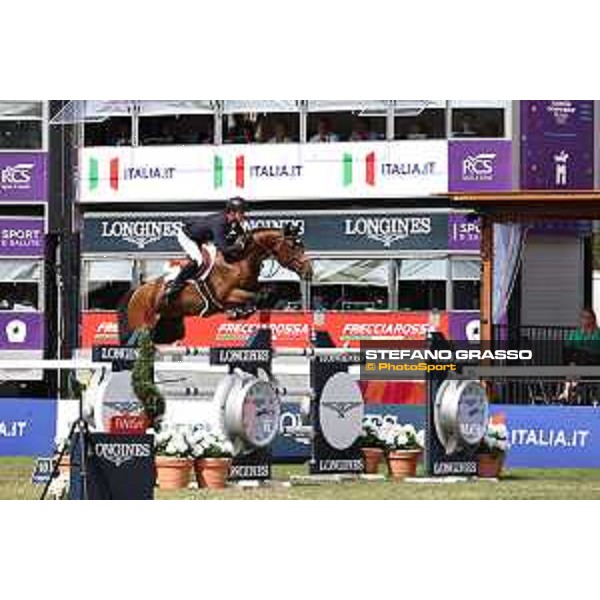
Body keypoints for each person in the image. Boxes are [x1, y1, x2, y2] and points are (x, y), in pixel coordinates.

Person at [163, 197, 249, 305]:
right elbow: (223, 248)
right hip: (187, 236)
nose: (244, 215)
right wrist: (238, 246)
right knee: (198, 261)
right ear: (232, 212)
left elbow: (242, 235)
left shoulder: (233, 221)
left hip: (201, 237)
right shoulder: (220, 223)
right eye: (242, 212)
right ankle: (174, 287)